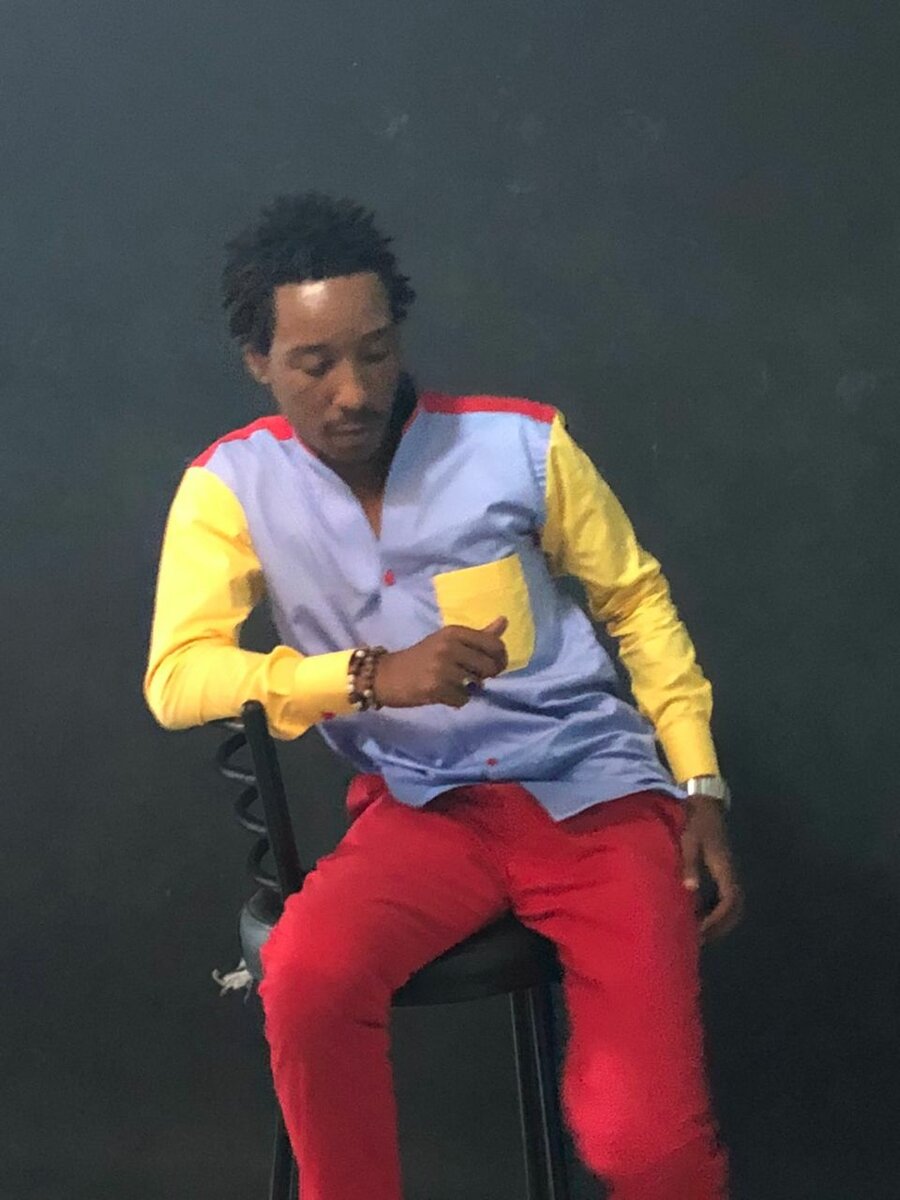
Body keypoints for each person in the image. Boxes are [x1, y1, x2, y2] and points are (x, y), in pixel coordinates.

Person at [144, 192, 742, 1200]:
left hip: (594, 800)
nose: (353, 392)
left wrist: (700, 782)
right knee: (308, 977)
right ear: (258, 361)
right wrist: (366, 677)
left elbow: (636, 602)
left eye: (375, 352)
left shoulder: (521, 445)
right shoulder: (231, 488)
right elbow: (178, 677)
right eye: (314, 364)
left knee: (643, 1144)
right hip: (422, 812)